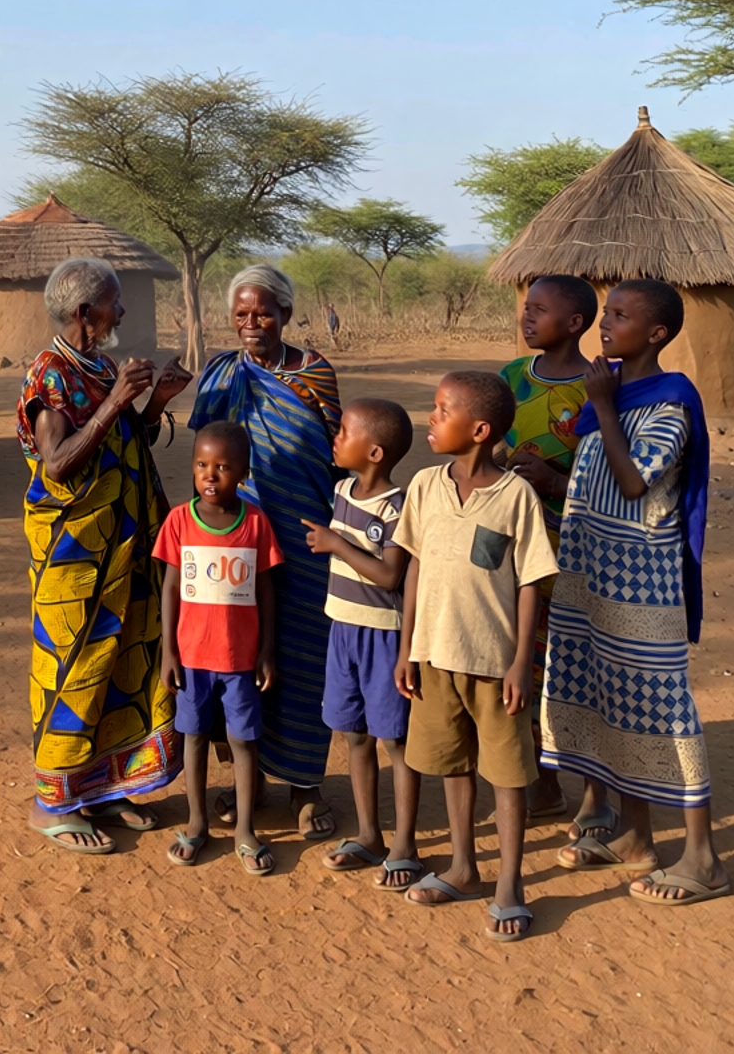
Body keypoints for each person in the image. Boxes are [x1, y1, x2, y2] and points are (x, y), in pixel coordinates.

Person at [541, 280, 729, 904]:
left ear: (656, 334)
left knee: (664, 709)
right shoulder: (615, 393)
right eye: (606, 313)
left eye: (620, 316)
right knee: (610, 702)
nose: (605, 324)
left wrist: (602, 402)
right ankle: (635, 838)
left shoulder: (671, 399)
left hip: (643, 583)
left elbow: (632, 481)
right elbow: (595, 474)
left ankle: (703, 858)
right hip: (590, 573)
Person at [18, 255, 194, 854]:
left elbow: (122, 445)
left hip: (125, 545)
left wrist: (154, 403)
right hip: (76, 557)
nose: (122, 311)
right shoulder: (51, 375)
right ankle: (54, 802)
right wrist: (117, 400)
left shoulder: (98, 365)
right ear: (84, 312)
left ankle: (105, 784)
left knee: (122, 663)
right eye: (115, 303)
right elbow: (59, 463)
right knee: (74, 669)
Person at [393, 370, 557, 941]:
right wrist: (408, 648)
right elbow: (413, 566)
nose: (431, 420)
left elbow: (532, 579)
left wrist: (520, 661)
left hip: (494, 661)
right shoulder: (424, 486)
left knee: (508, 776)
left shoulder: (516, 496)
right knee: (452, 764)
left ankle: (510, 883)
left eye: (442, 411)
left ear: (480, 429)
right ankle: (463, 866)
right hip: (435, 655)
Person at [188, 263, 341, 837]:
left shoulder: (314, 374)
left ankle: (306, 785)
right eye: (241, 315)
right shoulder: (221, 374)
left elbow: (334, 452)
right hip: (236, 542)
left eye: (263, 314)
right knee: (238, 657)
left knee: (302, 657)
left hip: (304, 541)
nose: (252, 324)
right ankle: (247, 782)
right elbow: (204, 456)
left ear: (286, 315)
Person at [498, 273, 614, 835]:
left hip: (573, 552)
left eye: (539, 310)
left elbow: (612, 478)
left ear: (573, 324)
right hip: (512, 553)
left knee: (579, 668)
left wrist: (550, 478)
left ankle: (597, 795)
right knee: (521, 663)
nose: (526, 316)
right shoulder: (511, 378)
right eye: (526, 307)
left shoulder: (598, 386)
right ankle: (540, 785)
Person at [301, 395, 423, 886]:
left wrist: (337, 545)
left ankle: (405, 845)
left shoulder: (398, 508)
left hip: (382, 638)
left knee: (395, 741)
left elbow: (391, 575)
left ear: (375, 452)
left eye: (345, 433)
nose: (336, 438)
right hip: (343, 630)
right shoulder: (343, 490)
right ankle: (370, 833)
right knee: (354, 735)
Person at [156, 421, 283, 875]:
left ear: (243, 473)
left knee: (243, 741)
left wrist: (266, 650)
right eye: (202, 465)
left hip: (240, 662)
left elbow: (267, 592)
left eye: (223, 467)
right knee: (192, 738)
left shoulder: (254, 523)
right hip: (191, 660)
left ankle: (246, 829)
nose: (211, 475)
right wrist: (168, 652)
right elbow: (170, 589)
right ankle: (196, 821)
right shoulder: (178, 522)